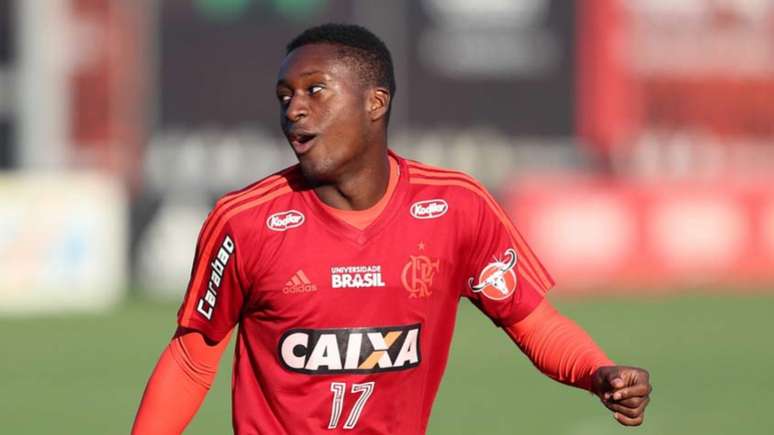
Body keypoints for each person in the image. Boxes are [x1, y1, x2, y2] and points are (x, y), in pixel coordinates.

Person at [132, 23, 651, 434]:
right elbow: (191, 359)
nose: (294, 109)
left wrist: (596, 372)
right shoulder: (246, 221)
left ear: (375, 103)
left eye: (316, 90)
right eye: (284, 95)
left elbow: (533, 322)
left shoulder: (455, 207)